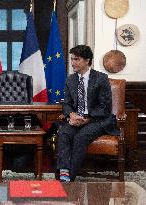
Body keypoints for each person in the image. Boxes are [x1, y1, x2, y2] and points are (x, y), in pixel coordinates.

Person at [56, 45, 119, 182]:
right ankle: (64, 171)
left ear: (87, 60)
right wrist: (71, 114)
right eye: (72, 59)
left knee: (80, 137)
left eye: (77, 59)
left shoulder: (101, 78)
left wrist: (87, 118)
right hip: (77, 119)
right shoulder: (70, 79)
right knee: (63, 133)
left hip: (98, 120)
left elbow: (105, 108)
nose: (73, 62)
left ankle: (67, 178)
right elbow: (66, 103)